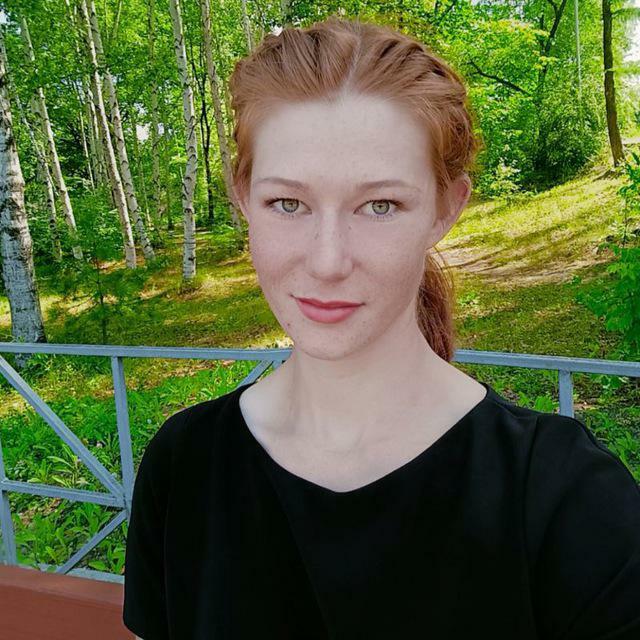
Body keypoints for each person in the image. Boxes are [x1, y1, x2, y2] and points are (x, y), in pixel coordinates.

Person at [123, 16, 640, 640]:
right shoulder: (184, 467)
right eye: (287, 203)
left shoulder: (569, 500)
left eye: (380, 205)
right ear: (243, 196)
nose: (328, 261)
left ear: (446, 208)